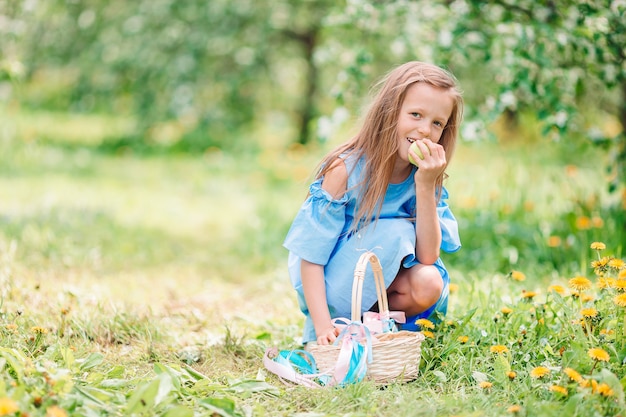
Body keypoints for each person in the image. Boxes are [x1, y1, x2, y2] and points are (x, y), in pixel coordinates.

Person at [283, 61, 463, 346]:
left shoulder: (425, 175)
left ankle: (373, 332)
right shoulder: (345, 171)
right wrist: (321, 326)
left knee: (429, 280)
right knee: (397, 231)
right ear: (390, 112)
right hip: (335, 287)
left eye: (437, 123)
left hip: (381, 284)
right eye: (415, 114)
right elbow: (310, 256)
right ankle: (339, 328)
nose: (425, 130)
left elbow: (427, 256)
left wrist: (426, 185)